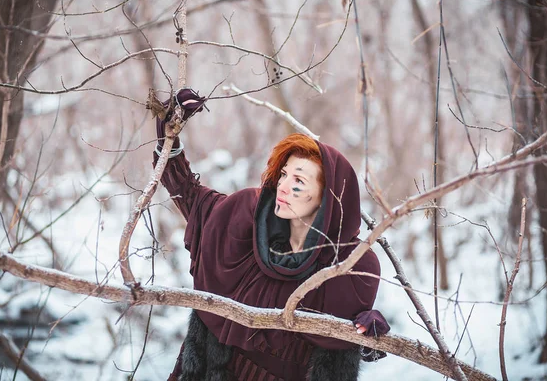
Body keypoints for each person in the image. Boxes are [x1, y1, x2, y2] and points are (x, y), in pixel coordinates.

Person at [155, 89, 390, 381]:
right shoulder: (247, 217)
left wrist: (366, 331)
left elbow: (348, 337)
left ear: (326, 199)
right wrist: (169, 133)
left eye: (299, 181)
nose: (282, 187)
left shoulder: (352, 266)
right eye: (284, 175)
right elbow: (188, 193)